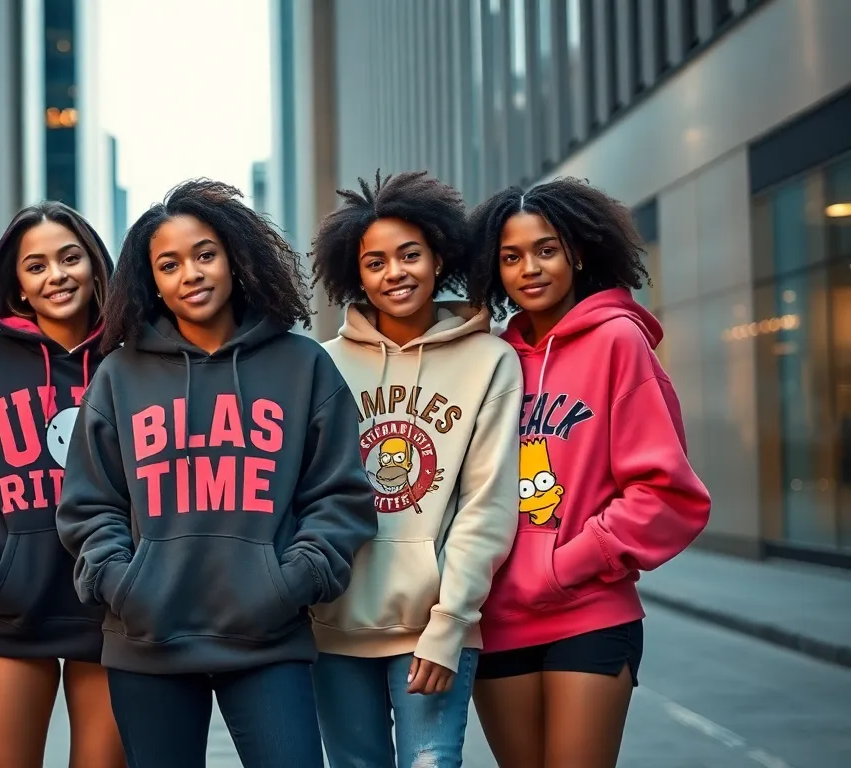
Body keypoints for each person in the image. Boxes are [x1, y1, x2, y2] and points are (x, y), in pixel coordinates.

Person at [56, 178, 378, 767]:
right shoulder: (119, 376)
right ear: (150, 280)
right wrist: (125, 585)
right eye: (169, 263)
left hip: (268, 638)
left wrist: (289, 584)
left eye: (205, 254)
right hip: (147, 641)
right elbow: (88, 504)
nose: (192, 274)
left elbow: (340, 496)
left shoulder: (302, 364)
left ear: (235, 257)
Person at [465, 177, 711, 768]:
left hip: (588, 611)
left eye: (546, 249)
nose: (530, 268)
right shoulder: (493, 360)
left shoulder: (618, 342)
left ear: (576, 252)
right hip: (496, 620)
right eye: (511, 256)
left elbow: (667, 493)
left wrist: (561, 567)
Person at [307, 171, 522, 767]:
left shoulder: (490, 361)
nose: (394, 273)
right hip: (335, 625)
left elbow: (488, 503)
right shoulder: (322, 366)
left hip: (433, 624)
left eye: (409, 255)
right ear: (356, 274)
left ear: (437, 256)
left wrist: (451, 621)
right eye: (375, 262)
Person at [0, 201, 125, 767]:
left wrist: (136, 583)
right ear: (16, 286)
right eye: (35, 266)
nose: (56, 275)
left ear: (95, 266)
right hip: (11, 614)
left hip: (113, 617)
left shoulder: (132, 363)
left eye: (70, 258)